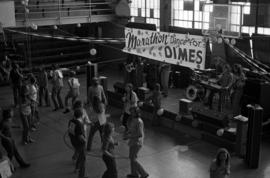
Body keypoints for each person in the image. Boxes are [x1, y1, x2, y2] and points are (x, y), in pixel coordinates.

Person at [125, 107, 149, 178]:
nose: (131, 113)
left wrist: (129, 136)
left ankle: (143, 173)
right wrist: (127, 133)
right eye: (131, 112)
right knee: (132, 157)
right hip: (133, 140)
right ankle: (134, 174)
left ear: (137, 112)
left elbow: (140, 134)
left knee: (132, 158)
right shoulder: (133, 119)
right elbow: (132, 129)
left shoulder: (139, 121)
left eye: (133, 112)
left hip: (137, 142)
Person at [68, 108, 87, 178]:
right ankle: (81, 175)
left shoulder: (71, 121)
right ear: (82, 115)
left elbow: (70, 132)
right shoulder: (79, 124)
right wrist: (85, 140)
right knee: (83, 159)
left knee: (79, 155)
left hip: (74, 142)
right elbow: (80, 136)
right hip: (80, 143)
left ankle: (77, 168)